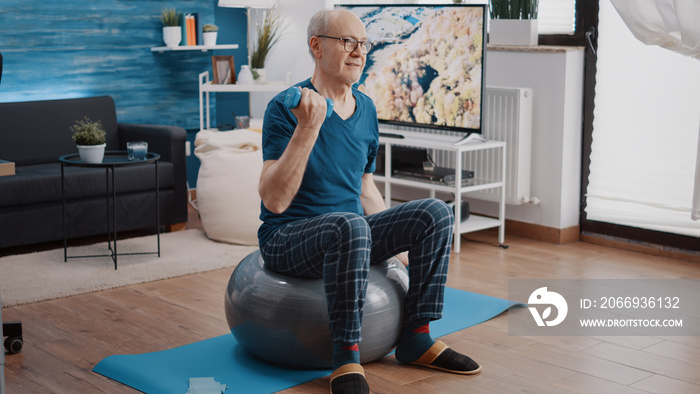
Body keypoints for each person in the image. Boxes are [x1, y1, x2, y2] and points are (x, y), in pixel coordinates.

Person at [257, 9, 481, 394]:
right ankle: (345, 358)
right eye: (348, 42)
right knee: (350, 223)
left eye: (363, 43)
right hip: (288, 239)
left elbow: (364, 188)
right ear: (316, 46)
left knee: (435, 213)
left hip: (349, 235)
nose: (359, 52)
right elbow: (274, 200)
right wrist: (309, 127)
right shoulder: (287, 107)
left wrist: (408, 248)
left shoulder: (367, 110)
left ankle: (417, 337)